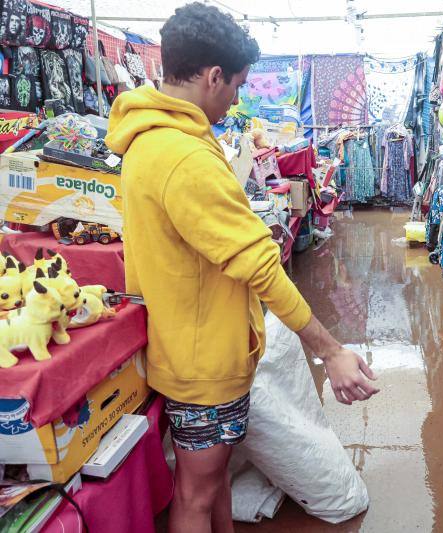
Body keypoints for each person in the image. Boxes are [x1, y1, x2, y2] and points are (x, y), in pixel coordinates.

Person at [104, 4, 379, 532]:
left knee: (212, 487)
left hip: (190, 343)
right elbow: (261, 266)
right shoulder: (183, 157)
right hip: (204, 362)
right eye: (236, 85)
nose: (236, 98)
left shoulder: (151, 140)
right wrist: (331, 350)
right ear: (212, 77)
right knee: (196, 493)